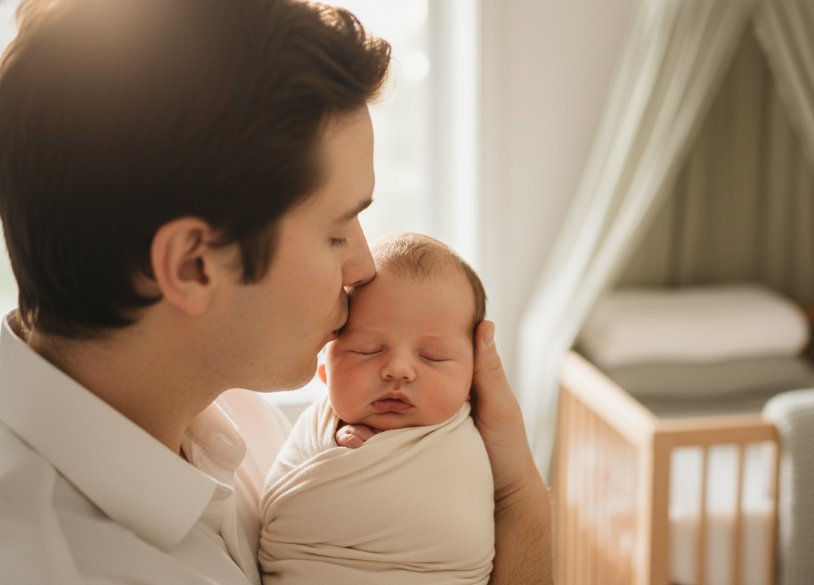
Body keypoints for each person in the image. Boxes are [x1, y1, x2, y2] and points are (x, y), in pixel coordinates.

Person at [0, 1, 552, 584]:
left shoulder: (234, 416)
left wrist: (513, 488)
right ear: (193, 266)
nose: (363, 267)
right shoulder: (59, 564)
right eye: (336, 232)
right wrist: (521, 502)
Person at [260, 232, 495, 585]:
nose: (398, 369)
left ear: (473, 376)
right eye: (367, 350)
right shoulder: (314, 429)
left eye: (433, 356)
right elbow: (286, 512)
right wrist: (341, 456)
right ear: (326, 372)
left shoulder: (479, 436)